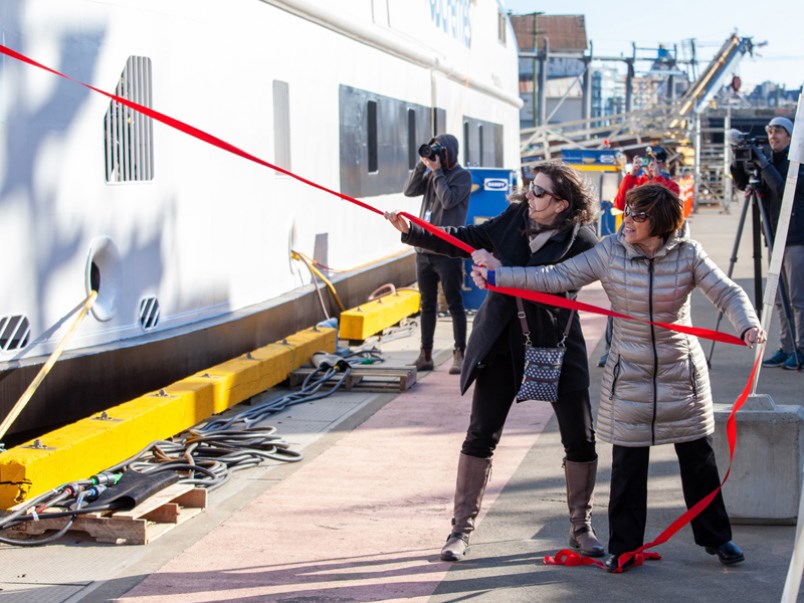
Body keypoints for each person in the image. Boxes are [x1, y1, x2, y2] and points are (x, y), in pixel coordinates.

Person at [472, 183, 765, 572]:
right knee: (628, 466)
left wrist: (748, 326)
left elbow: (727, 293)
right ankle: (624, 548)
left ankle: (717, 538)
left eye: (639, 215)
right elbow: (553, 277)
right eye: (628, 211)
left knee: (699, 460)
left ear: (660, 223)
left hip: (681, 373)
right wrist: (500, 277)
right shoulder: (610, 251)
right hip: (629, 373)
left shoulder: (688, 254)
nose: (628, 220)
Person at [385, 161, 605, 562]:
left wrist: (505, 270)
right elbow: (467, 238)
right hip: (501, 339)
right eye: (530, 187)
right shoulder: (514, 217)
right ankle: (459, 530)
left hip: (554, 341)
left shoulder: (583, 241)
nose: (529, 196)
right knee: (480, 434)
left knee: (581, 437)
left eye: (539, 192)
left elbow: (553, 277)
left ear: (561, 204)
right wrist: (413, 230)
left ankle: (581, 526)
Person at [730, 116, 804, 371]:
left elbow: (784, 190)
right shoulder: (769, 162)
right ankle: (787, 346)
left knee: (797, 298)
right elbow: (742, 184)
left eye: (779, 132)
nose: (773, 136)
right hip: (774, 238)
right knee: (781, 299)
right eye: (770, 132)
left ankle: (801, 349)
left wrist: (762, 162)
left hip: (795, 238)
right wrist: (737, 159)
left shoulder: (798, 164)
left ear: (791, 135)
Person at [597, 145, 681, 368]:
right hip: (630, 251)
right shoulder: (638, 181)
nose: (650, 165)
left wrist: (657, 179)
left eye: (654, 161)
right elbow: (619, 203)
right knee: (618, 302)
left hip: (658, 253)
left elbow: (667, 207)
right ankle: (611, 351)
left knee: (655, 305)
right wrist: (632, 175)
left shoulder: (669, 185)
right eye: (647, 161)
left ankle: (654, 353)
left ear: (663, 164)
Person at [403, 134, 471, 374]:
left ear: (448, 152)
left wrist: (438, 172)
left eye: (437, 152)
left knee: (454, 303)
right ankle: (425, 355)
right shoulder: (431, 173)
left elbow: (449, 200)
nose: (434, 157)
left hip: (447, 252)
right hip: (423, 250)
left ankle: (460, 354)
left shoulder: (462, 176)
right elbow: (409, 191)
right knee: (427, 304)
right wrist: (422, 165)